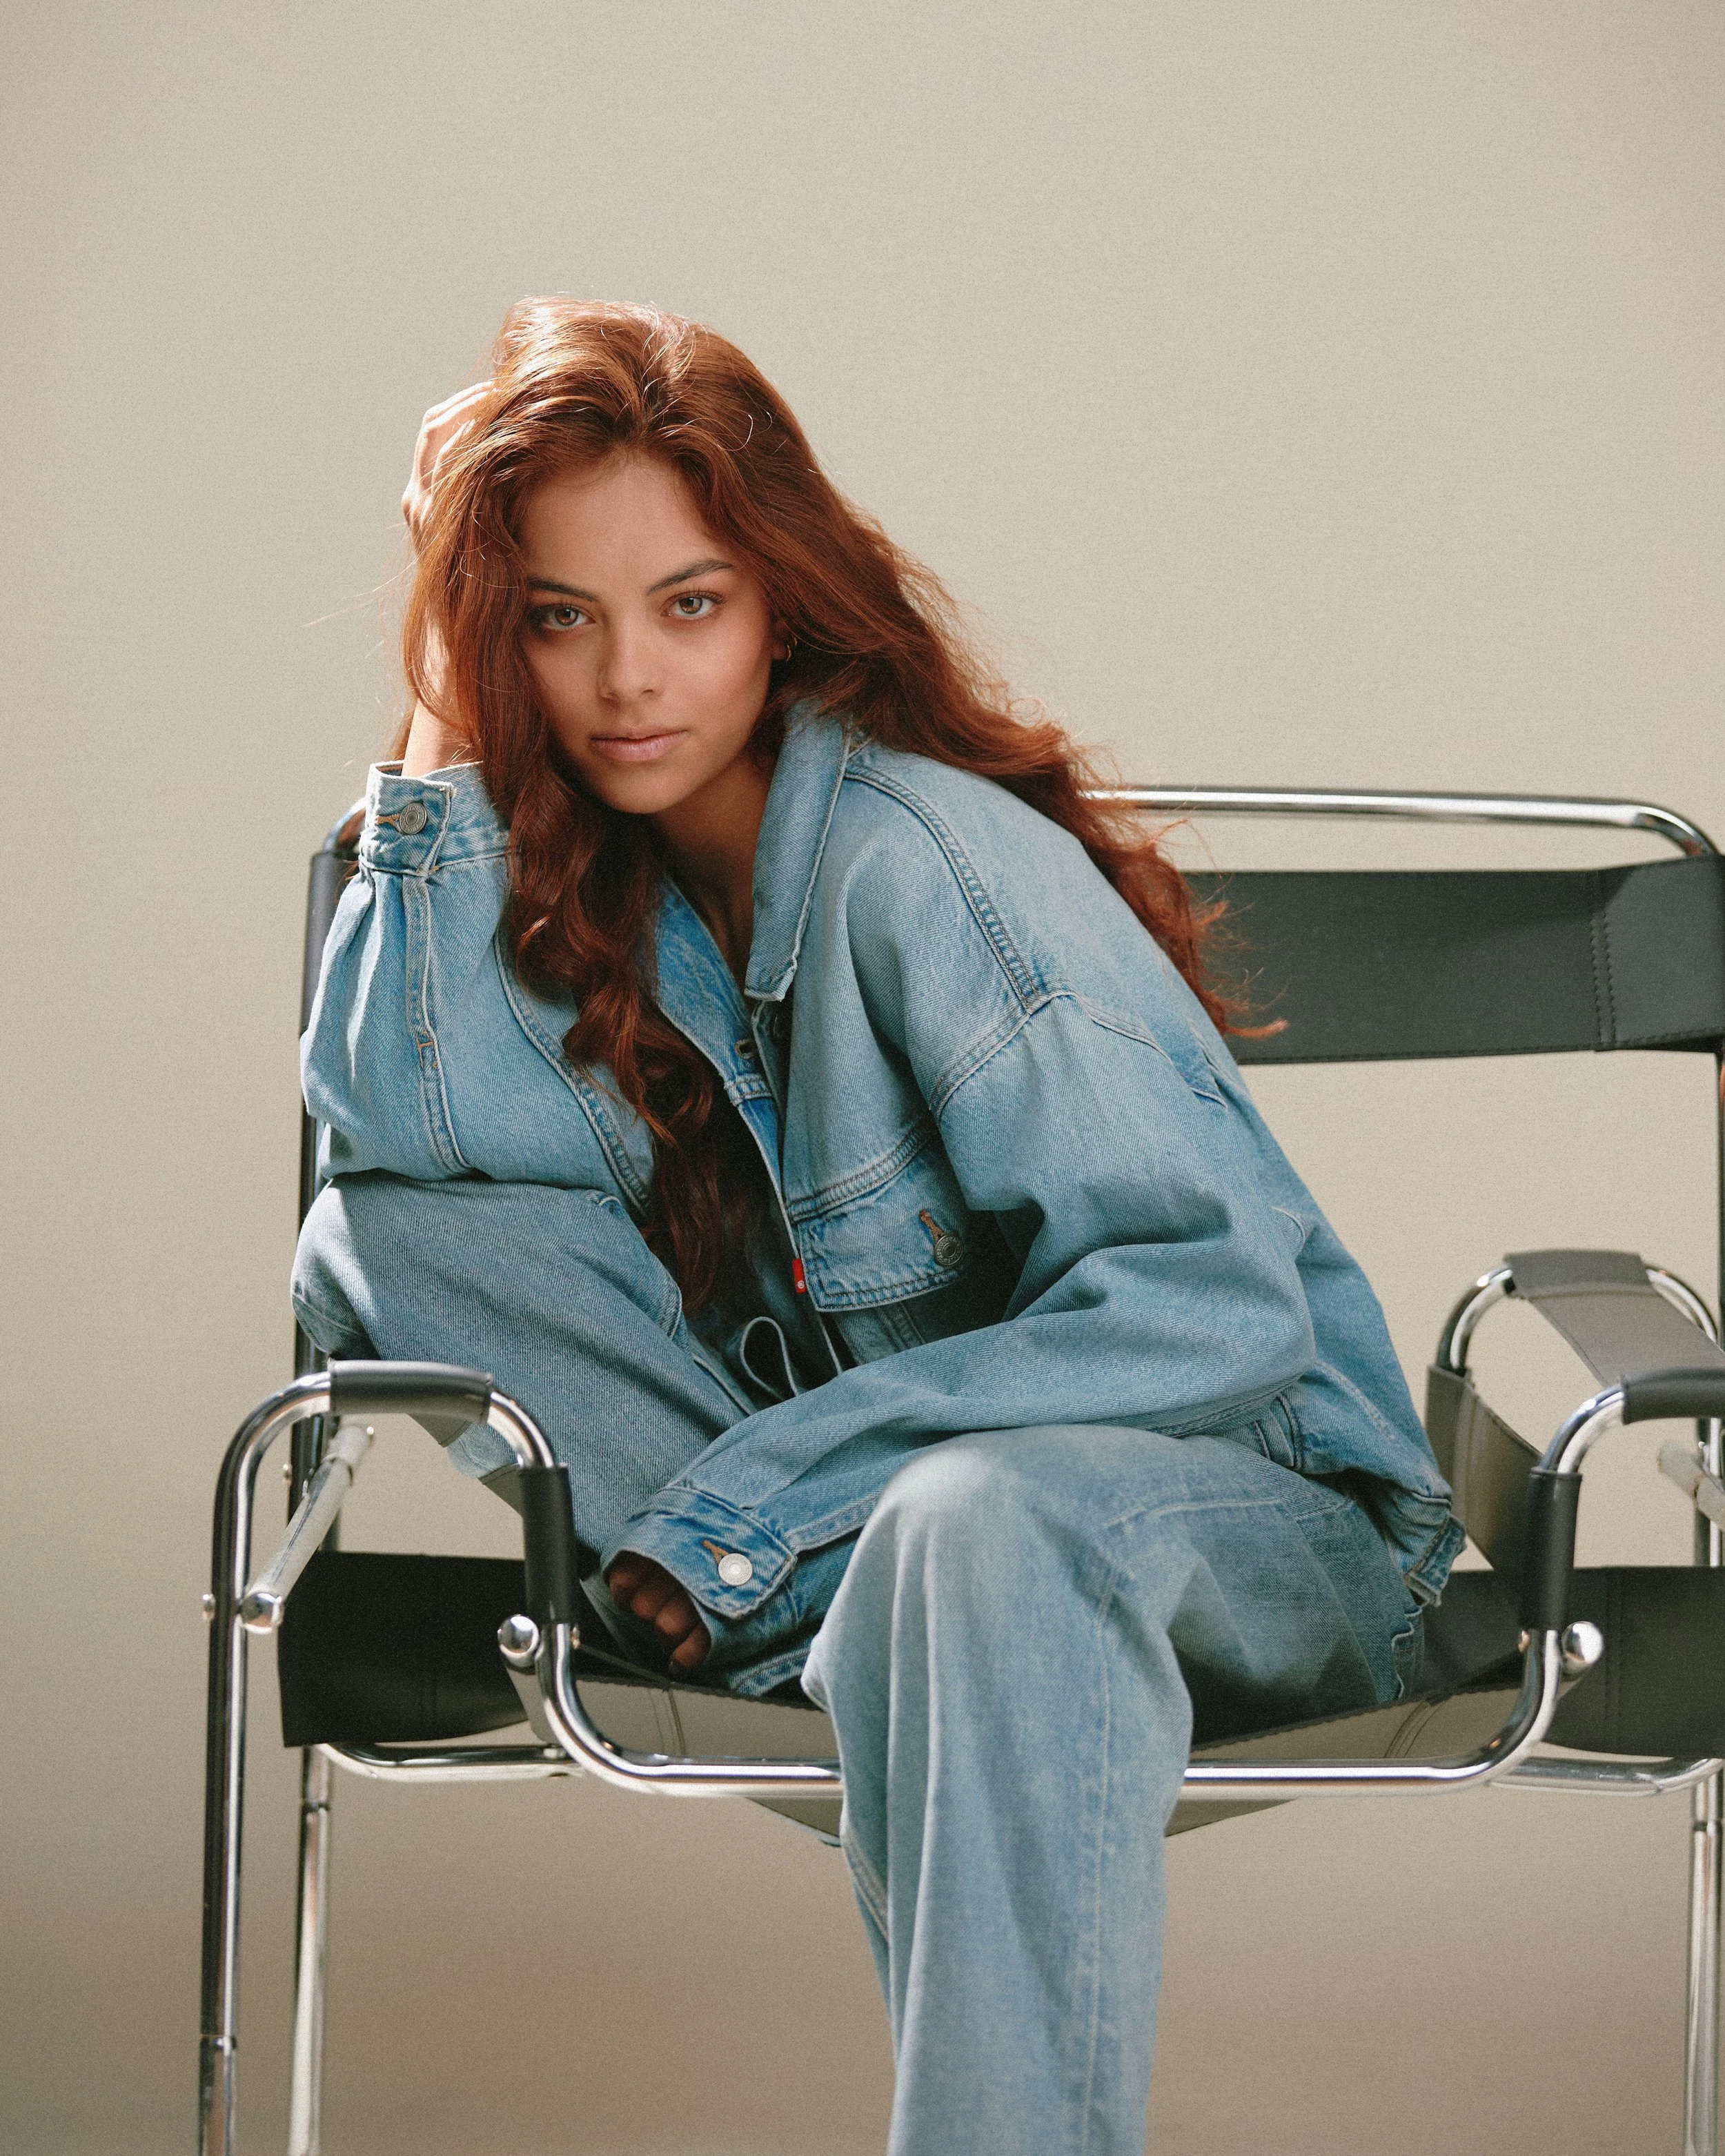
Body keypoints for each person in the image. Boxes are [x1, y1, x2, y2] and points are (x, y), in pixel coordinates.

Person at [293, 297, 1462, 2155]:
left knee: (964, 1521)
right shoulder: (600, 895)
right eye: (551, 617)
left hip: (1254, 1528)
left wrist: (759, 1506)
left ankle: (764, 1565)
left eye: (688, 602)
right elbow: (414, 1171)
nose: (625, 681)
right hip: (905, 1553)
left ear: (781, 604)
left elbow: (1211, 1307)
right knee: (391, 1239)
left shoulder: (918, 866)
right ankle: (791, 1572)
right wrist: (446, 718)